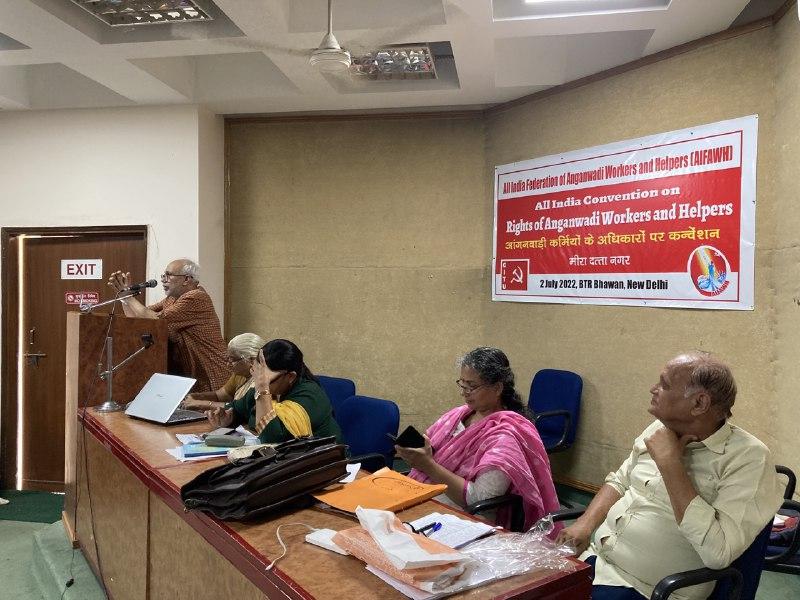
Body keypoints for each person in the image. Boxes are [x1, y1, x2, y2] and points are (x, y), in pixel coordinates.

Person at [556, 352, 784, 600]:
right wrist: (585, 524)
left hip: (650, 590)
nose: (653, 389)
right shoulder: (660, 427)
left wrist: (671, 465)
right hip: (595, 561)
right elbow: (620, 480)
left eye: (664, 385)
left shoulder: (748, 458)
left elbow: (718, 554)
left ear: (699, 403)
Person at [395, 347, 560, 531]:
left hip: (466, 516)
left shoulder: (506, 436)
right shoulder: (458, 415)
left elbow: (480, 499)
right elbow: (430, 453)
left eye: (472, 386)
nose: (464, 392)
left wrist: (428, 465)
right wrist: (416, 456)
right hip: (428, 497)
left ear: (497, 388)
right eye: (462, 384)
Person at [108, 258, 229, 393]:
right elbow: (139, 319)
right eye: (163, 275)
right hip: (193, 375)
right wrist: (125, 299)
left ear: (187, 279)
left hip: (213, 373)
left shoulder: (196, 297)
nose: (163, 280)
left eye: (168, 275)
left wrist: (128, 296)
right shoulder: (172, 299)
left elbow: (156, 320)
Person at [206, 338, 342, 444]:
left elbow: (273, 439)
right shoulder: (266, 386)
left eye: (266, 380)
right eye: (257, 376)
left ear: (290, 376)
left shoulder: (310, 396)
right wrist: (229, 418)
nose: (258, 384)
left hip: (325, 465)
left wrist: (263, 392)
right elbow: (239, 408)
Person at [181, 333, 266, 412]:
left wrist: (200, 404)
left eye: (232, 360)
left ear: (251, 360)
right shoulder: (240, 375)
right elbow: (219, 396)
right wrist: (196, 397)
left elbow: (239, 408)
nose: (228, 364)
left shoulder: (262, 381)